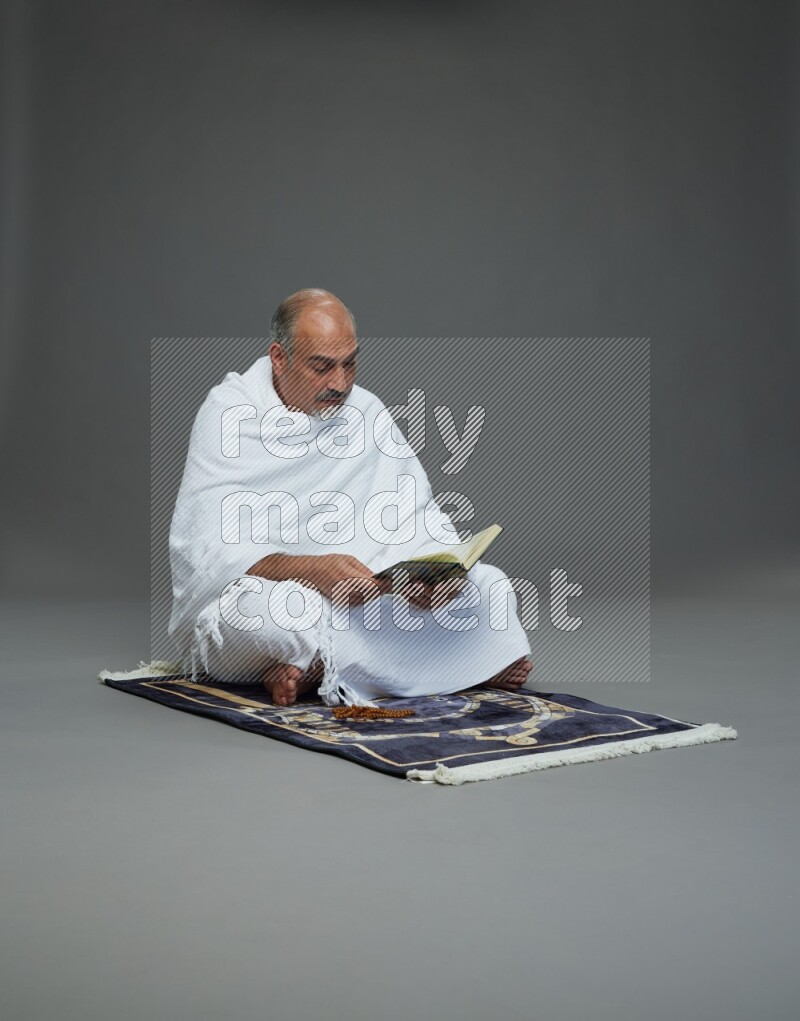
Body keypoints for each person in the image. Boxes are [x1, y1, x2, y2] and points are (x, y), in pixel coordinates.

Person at [167, 289, 533, 707]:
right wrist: (308, 570)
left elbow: (417, 518)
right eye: (322, 368)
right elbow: (206, 551)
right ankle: (457, 664)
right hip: (281, 594)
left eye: (350, 364)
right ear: (279, 357)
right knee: (278, 615)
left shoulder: (366, 411)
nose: (340, 384)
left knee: (490, 585)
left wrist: (436, 574)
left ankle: (318, 666)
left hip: (370, 595)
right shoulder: (229, 414)